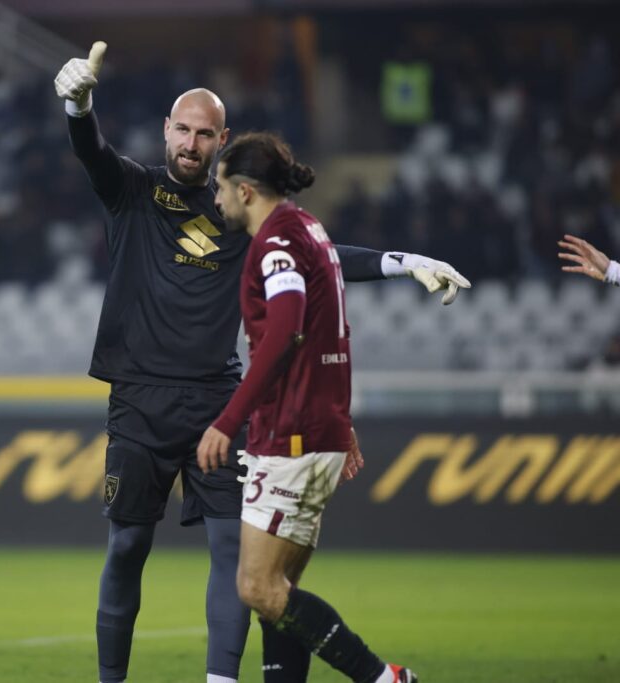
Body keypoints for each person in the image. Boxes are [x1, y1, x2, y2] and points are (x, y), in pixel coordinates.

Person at [55, 42, 466, 683]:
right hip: (139, 399)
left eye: (204, 134)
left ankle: (223, 679)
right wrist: (78, 105)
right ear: (167, 131)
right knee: (128, 544)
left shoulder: (240, 212)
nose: (190, 144)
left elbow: (319, 250)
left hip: (221, 401)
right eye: (182, 130)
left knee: (234, 552)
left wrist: (401, 261)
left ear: (221, 142)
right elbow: (91, 153)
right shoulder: (133, 191)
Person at [197, 132, 417, 683]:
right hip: (314, 428)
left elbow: (289, 326)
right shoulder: (309, 230)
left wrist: (228, 420)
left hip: (289, 434)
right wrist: (339, 421)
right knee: (279, 596)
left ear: (246, 191)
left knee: (256, 587)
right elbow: (334, 330)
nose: (216, 199)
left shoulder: (275, 244)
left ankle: (382, 679)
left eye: (221, 188)